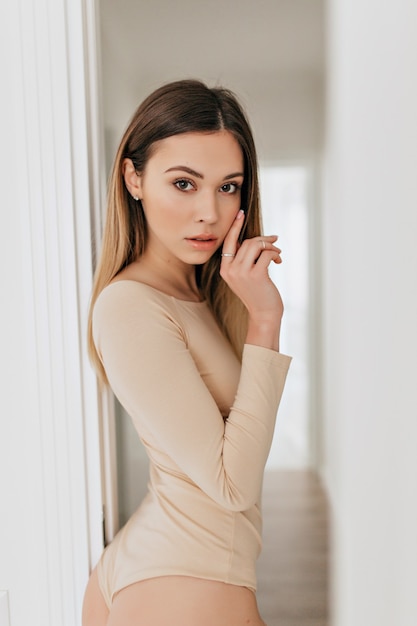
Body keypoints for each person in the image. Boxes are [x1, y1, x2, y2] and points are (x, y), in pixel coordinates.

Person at [82, 79, 291, 626]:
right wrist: (267, 320)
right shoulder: (130, 305)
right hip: (183, 580)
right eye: (183, 183)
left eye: (228, 187)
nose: (209, 212)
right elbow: (231, 484)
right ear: (134, 178)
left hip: (193, 571)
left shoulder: (200, 295)